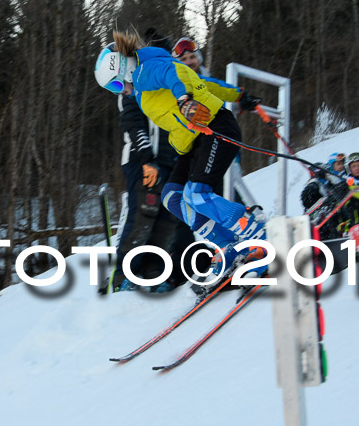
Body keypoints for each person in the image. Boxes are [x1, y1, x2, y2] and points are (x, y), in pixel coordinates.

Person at [94, 29, 265, 274]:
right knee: (172, 197)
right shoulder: (143, 86)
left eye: (116, 83)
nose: (119, 90)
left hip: (213, 127)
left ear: (125, 68)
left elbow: (172, 74)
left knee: (197, 195)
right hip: (194, 142)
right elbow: (205, 83)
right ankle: (228, 244)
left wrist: (185, 101)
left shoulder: (145, 71)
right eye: (113, 89)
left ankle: (256, 232)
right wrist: (238, 95)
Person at [101, 29, 195, 293]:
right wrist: (146, 159)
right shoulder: (132, 86)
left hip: (169, 158)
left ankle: (153, 272)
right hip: (141, 159)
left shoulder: (161, 74)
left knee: (167, 216)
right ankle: (124, 276)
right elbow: (132, 122)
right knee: (144, 212)